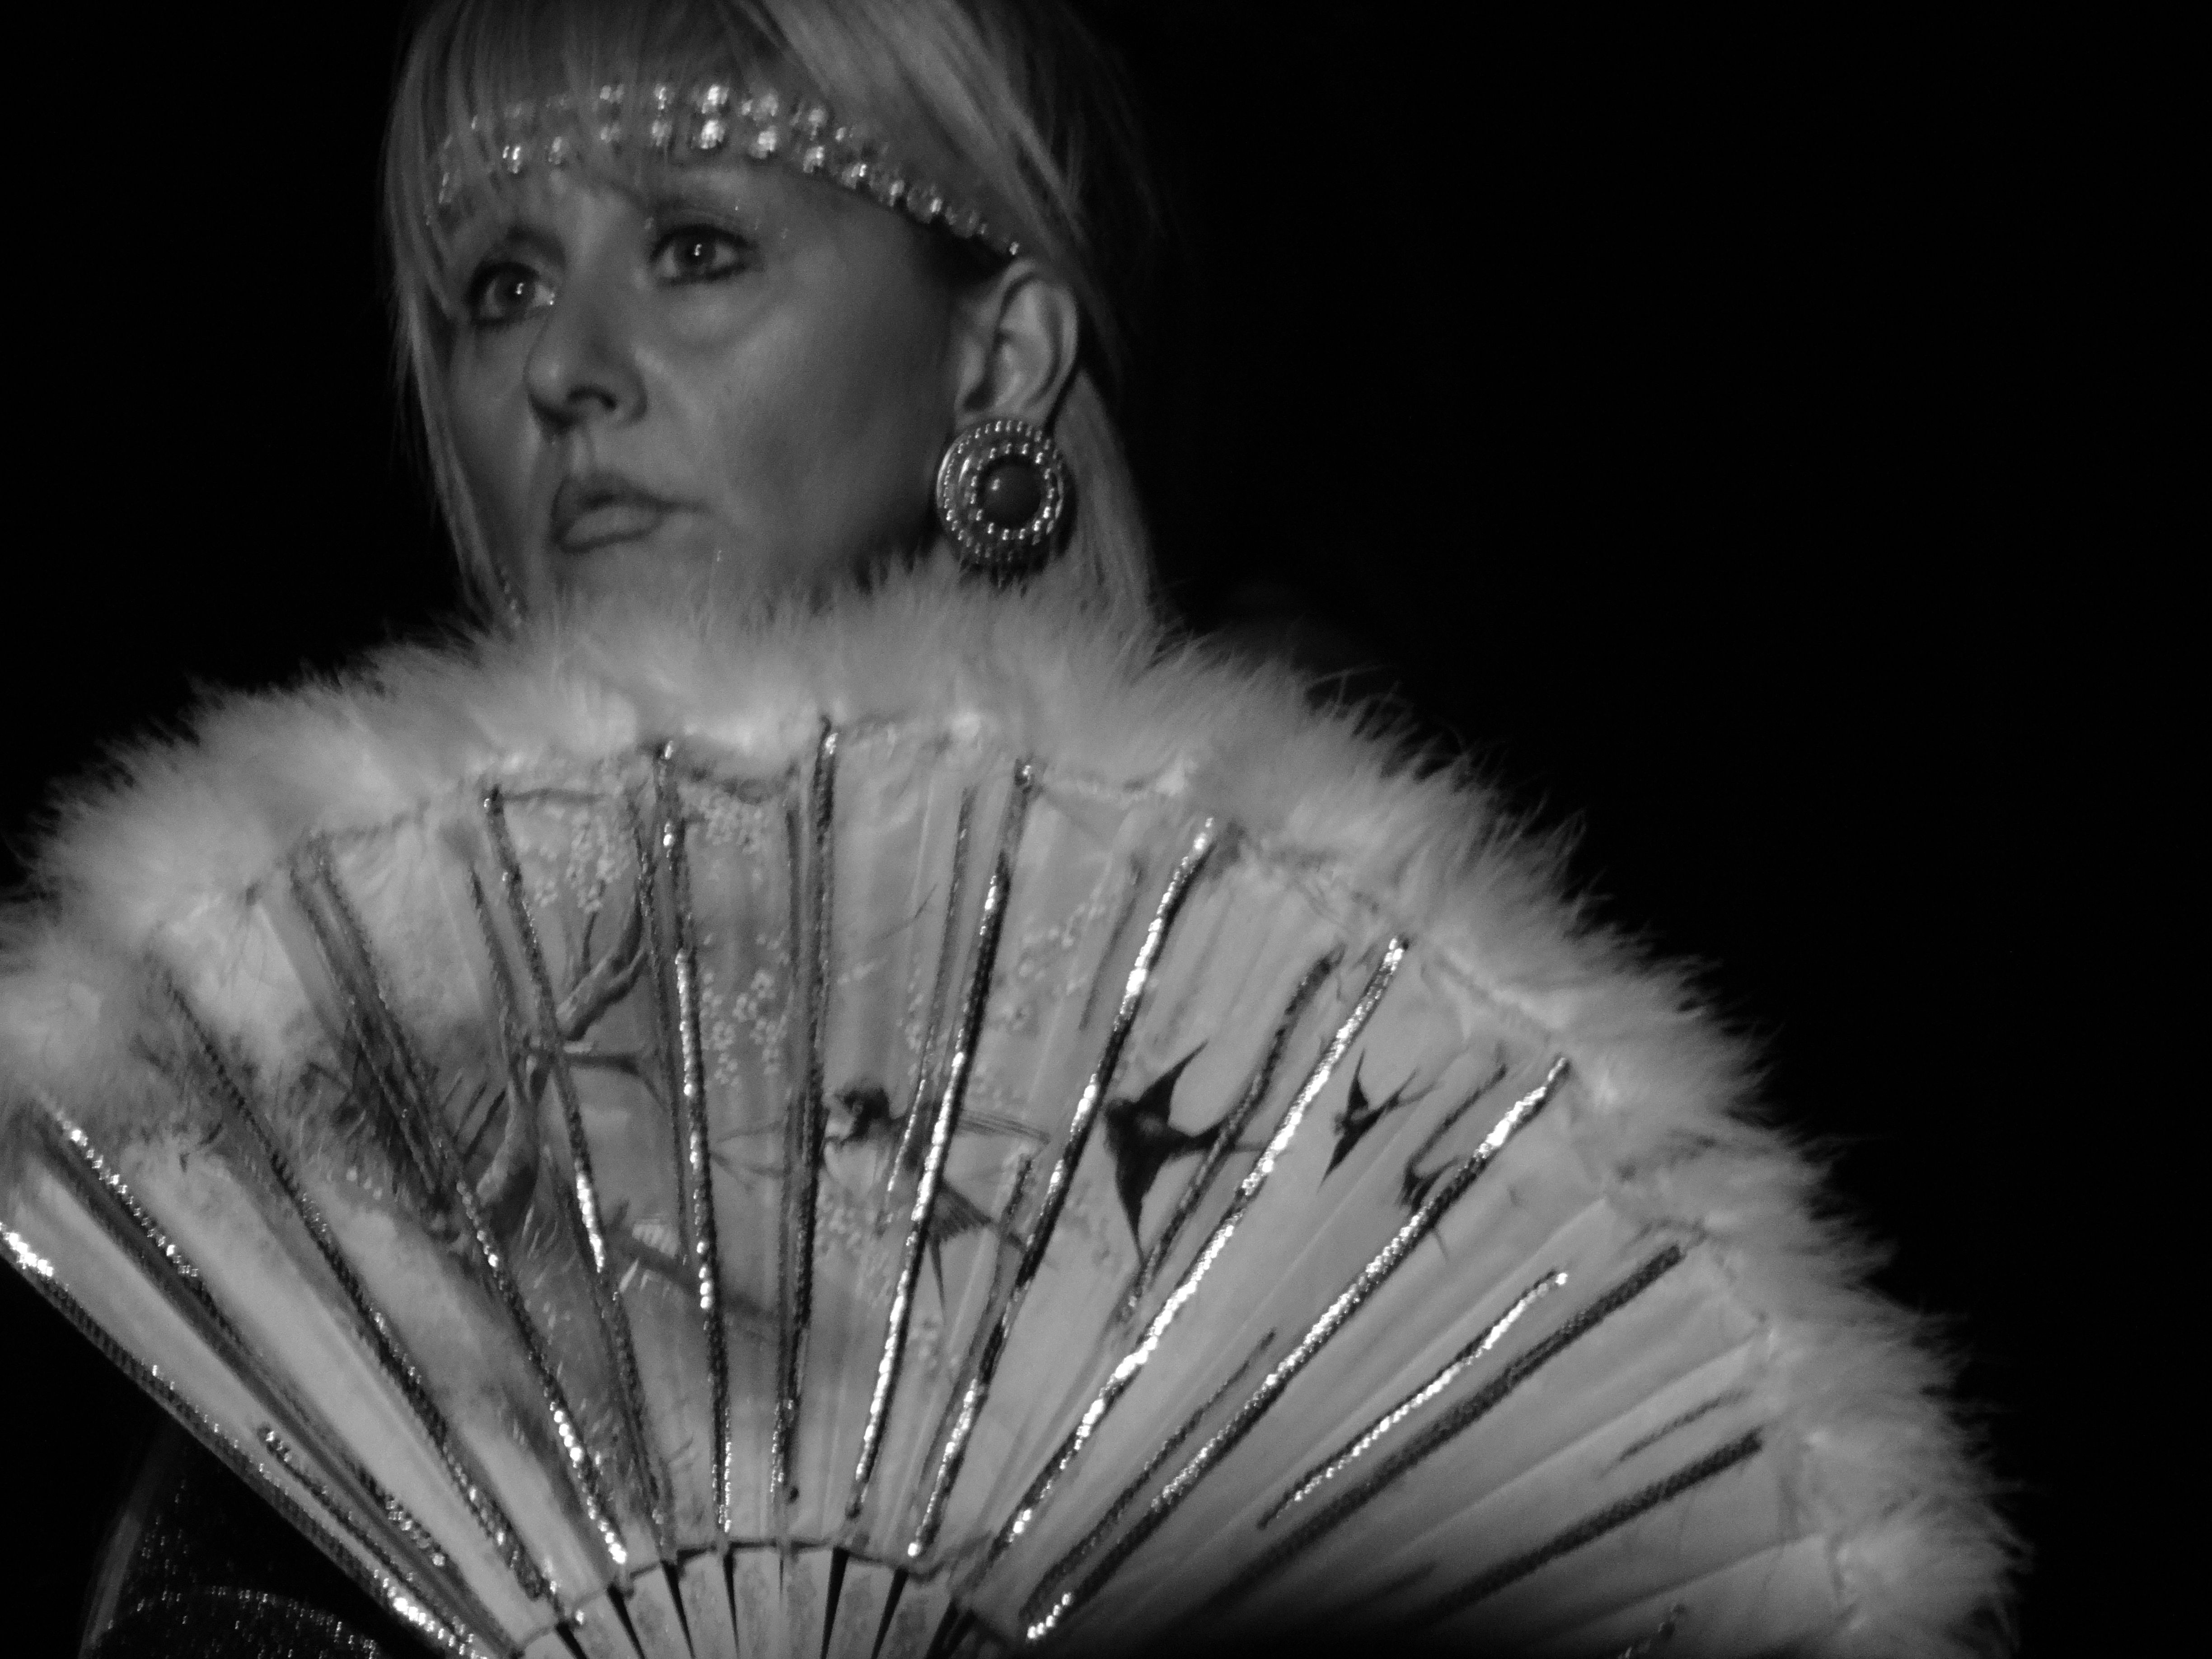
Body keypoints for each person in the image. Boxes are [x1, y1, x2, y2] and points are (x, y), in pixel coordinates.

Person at [50, 2, 2008, 1655]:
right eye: (500, 285)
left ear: (995, 358)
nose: (564, 371)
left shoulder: (1247, 1037)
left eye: (698, 248)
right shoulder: (366, 1100)